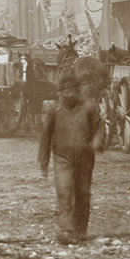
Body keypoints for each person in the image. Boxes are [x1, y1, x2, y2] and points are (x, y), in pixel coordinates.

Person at [39, 72, 107, 244]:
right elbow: (46, 136)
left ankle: (81, 229)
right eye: (66, 91)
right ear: (60, 93)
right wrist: (44, 161)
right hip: (62, 158)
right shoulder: (55, 111)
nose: (69, 94)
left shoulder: (89, 108)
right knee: (65, 191)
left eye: (73, 90)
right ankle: (66, 230)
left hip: (85, 159)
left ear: (78, 91)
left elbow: (99, 128)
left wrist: (97, 142)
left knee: (83, 193)